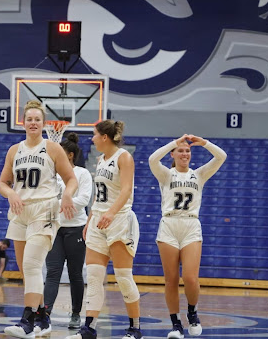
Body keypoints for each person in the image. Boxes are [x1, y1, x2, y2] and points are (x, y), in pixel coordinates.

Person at [0, 100, 78, 339]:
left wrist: (66, 195)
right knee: (26, 269)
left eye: (37, 119)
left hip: (45, 209)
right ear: (23, 123)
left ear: (43, 124)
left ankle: (27, 322)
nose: (33, 123)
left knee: (32, 266)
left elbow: (71, 179)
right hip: (21, 210)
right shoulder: (14, 150)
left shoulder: (53, 148)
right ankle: (43, 317)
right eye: (29, 119)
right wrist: (11, 192)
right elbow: (2, 183)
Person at [67, 120, 143, 339]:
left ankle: (135, 328)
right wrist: (91, 218)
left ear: (104, 137)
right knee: (93, 276)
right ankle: (89, 329)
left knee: (123, 277)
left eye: (94, 134)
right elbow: (99, 196)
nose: (91, 138)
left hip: (119, 219)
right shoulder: (100, 160)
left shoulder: (124, 157)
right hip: (99, 220)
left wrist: (110, 213)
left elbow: (127, 189)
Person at [148, 134, 227, 339]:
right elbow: (152, 159)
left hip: (191, 225)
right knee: (171, 279)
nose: (185, 154)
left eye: (188, 151)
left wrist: (205, 143)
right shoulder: (166, 174)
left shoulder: (199, 174)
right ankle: (176, 325)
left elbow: (221, 157)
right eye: (181, 150)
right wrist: (175, 142)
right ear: (173, 154)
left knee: (191, 278)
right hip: (169, 225)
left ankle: (192, 312)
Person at [41, 132, 92, 330]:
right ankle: (45, 313)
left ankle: (76, 313)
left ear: (69, 155)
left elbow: (84, 199)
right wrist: (62, 204)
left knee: (75, 274)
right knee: (52, 272)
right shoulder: (51, 173)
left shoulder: (82, 174)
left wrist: (63, 203)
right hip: (55, 228)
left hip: (76, 228)